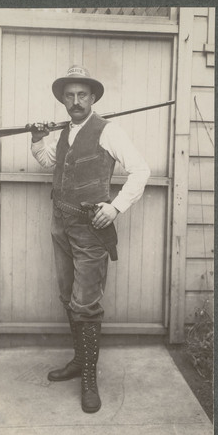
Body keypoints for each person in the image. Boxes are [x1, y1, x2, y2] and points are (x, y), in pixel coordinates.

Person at [30, 65, 150, 413]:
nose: (76, 101)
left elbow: (141, 170)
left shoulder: (108, 131)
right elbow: (47, 161)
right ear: (63, 100)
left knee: (86, 303)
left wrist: (114, 208)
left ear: (93, 97)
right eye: (70, 95)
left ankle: (89, 379)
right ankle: (78, 362)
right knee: (68, 296)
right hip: (60, 225)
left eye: (82, 94)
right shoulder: (64, 133)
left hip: (91, 230)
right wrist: (38, 138)